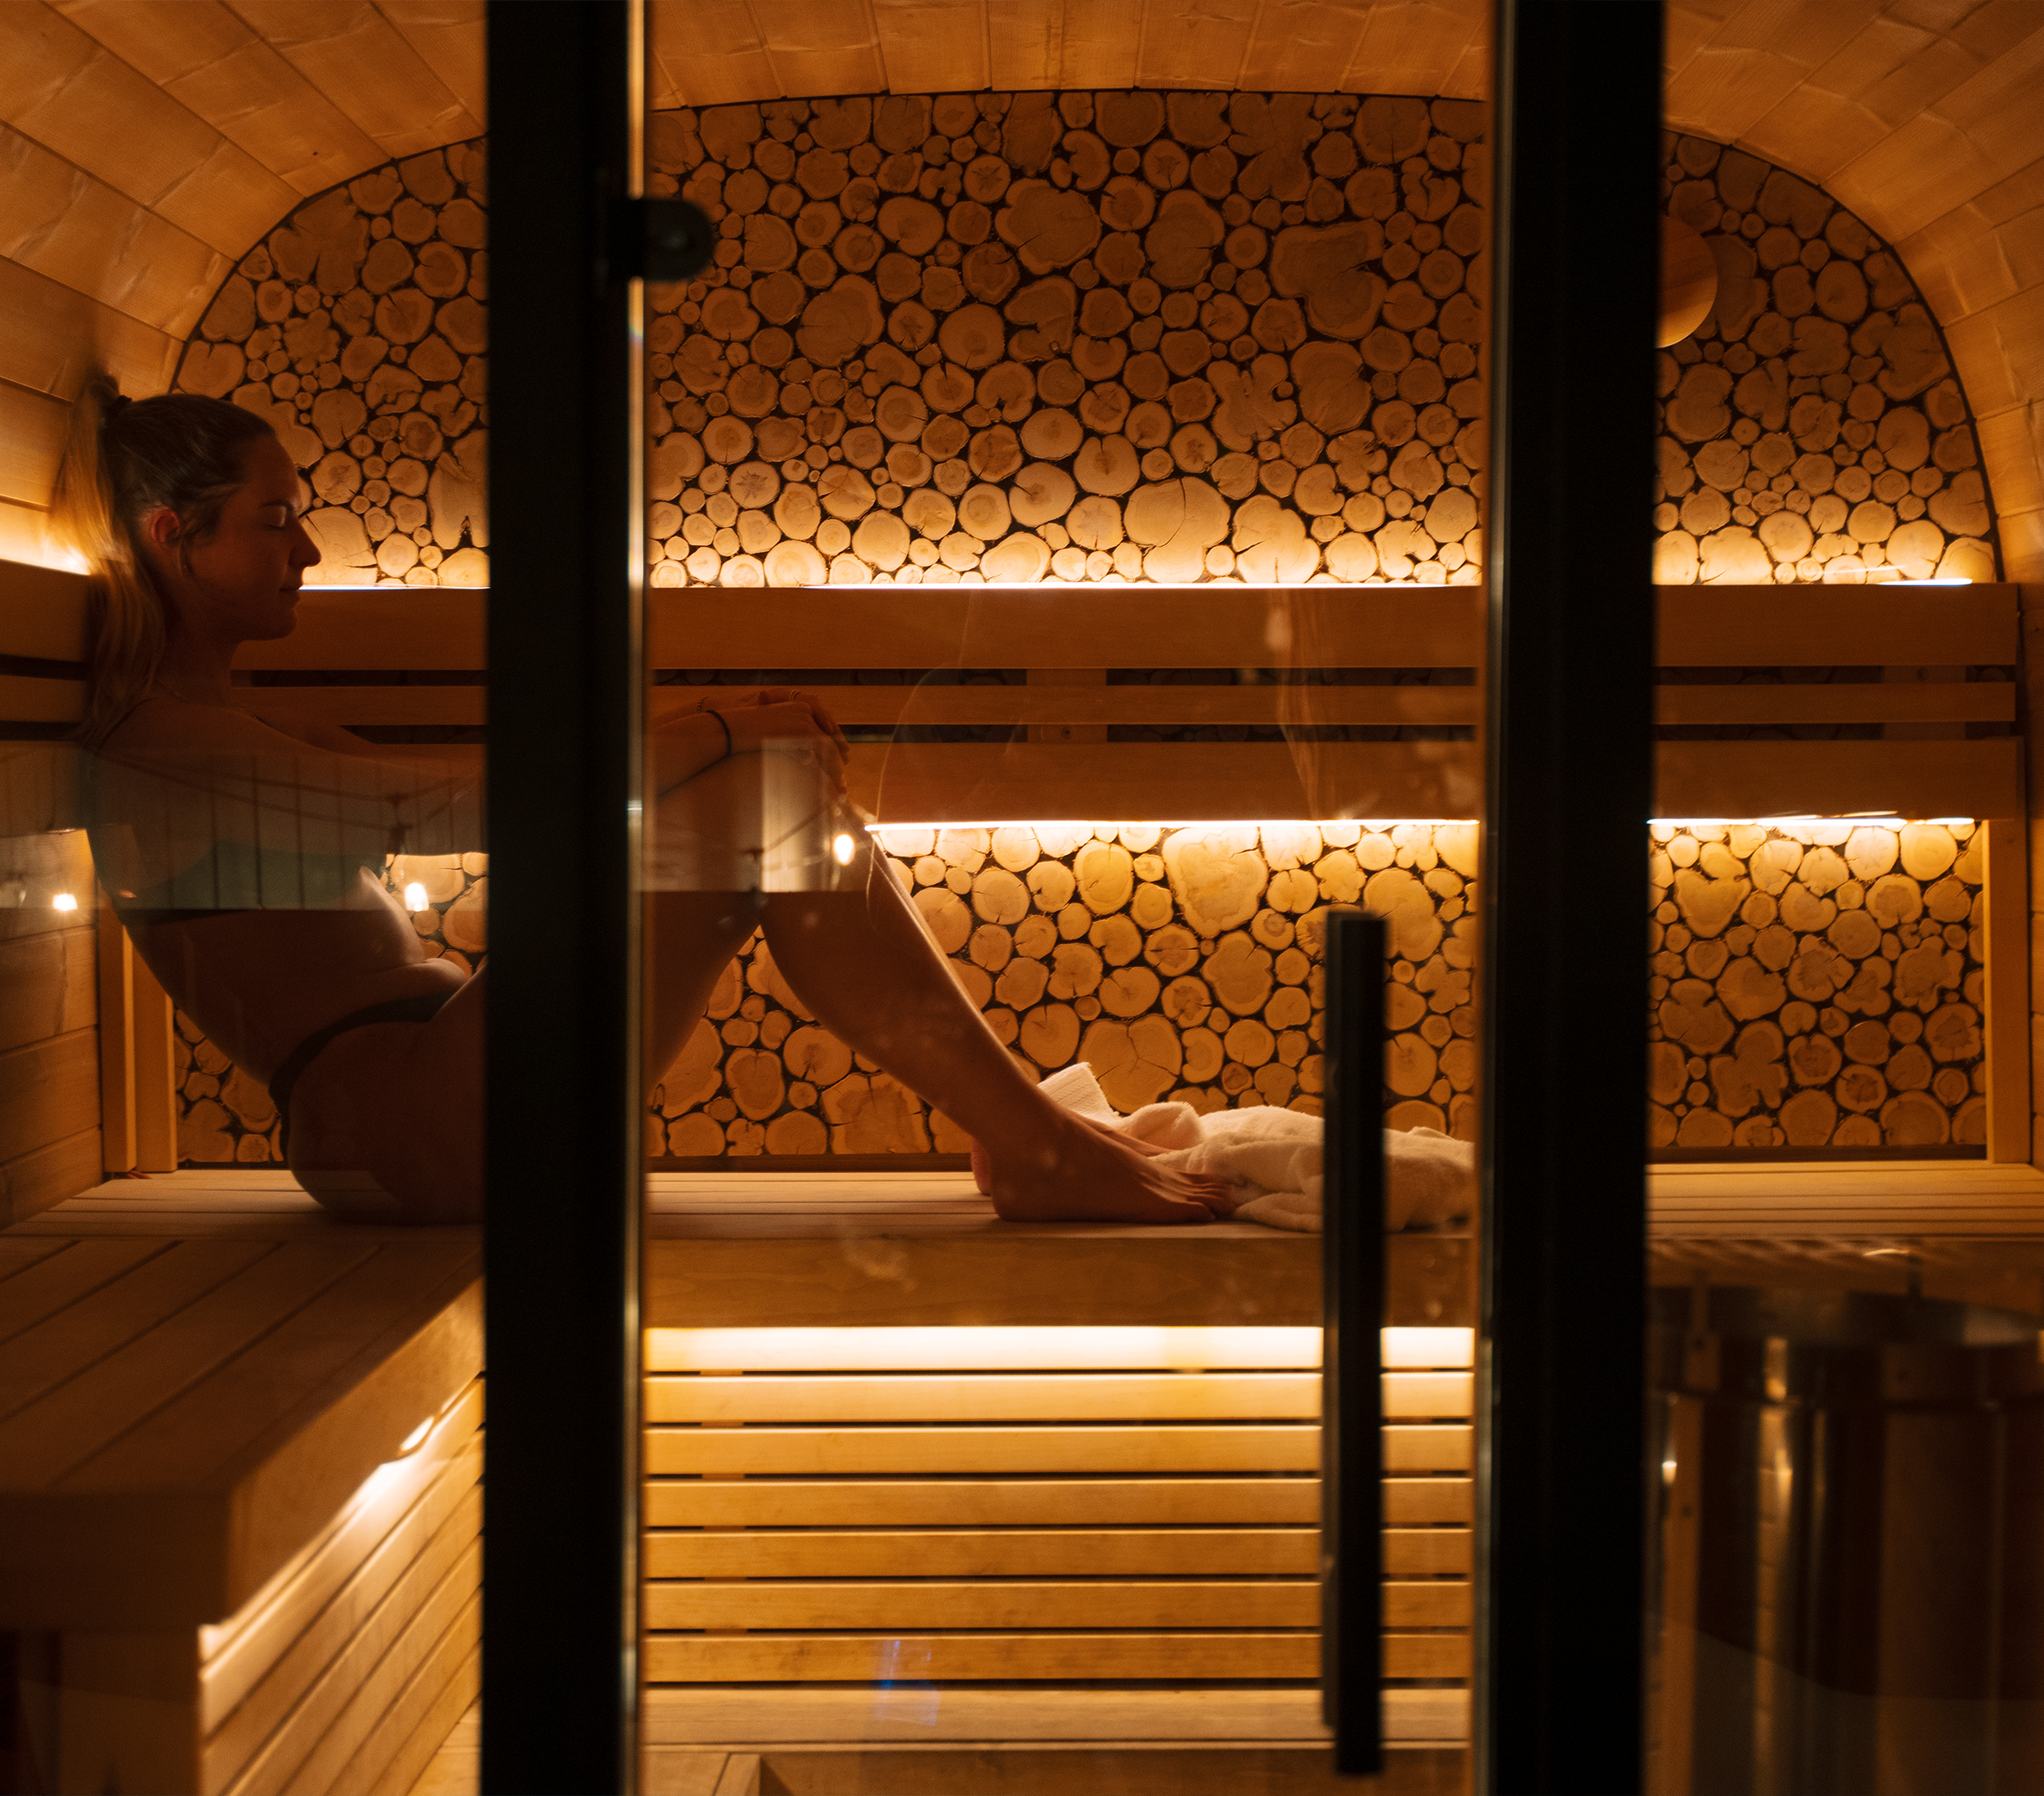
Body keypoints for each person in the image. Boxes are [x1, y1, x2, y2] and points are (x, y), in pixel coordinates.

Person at [56, 381, 1235, 1227]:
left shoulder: (242, 726)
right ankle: (1033, 1143)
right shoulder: (170, 753)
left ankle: (1032, 1134)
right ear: (174, 538)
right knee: (760, 785)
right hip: (409, 1134)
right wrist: (713, 730)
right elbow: (451, 813)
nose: (307, 548)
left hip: (449, 1092)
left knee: (765, 789)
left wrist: (713, 741)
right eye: (273, 518)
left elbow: (490, 794)